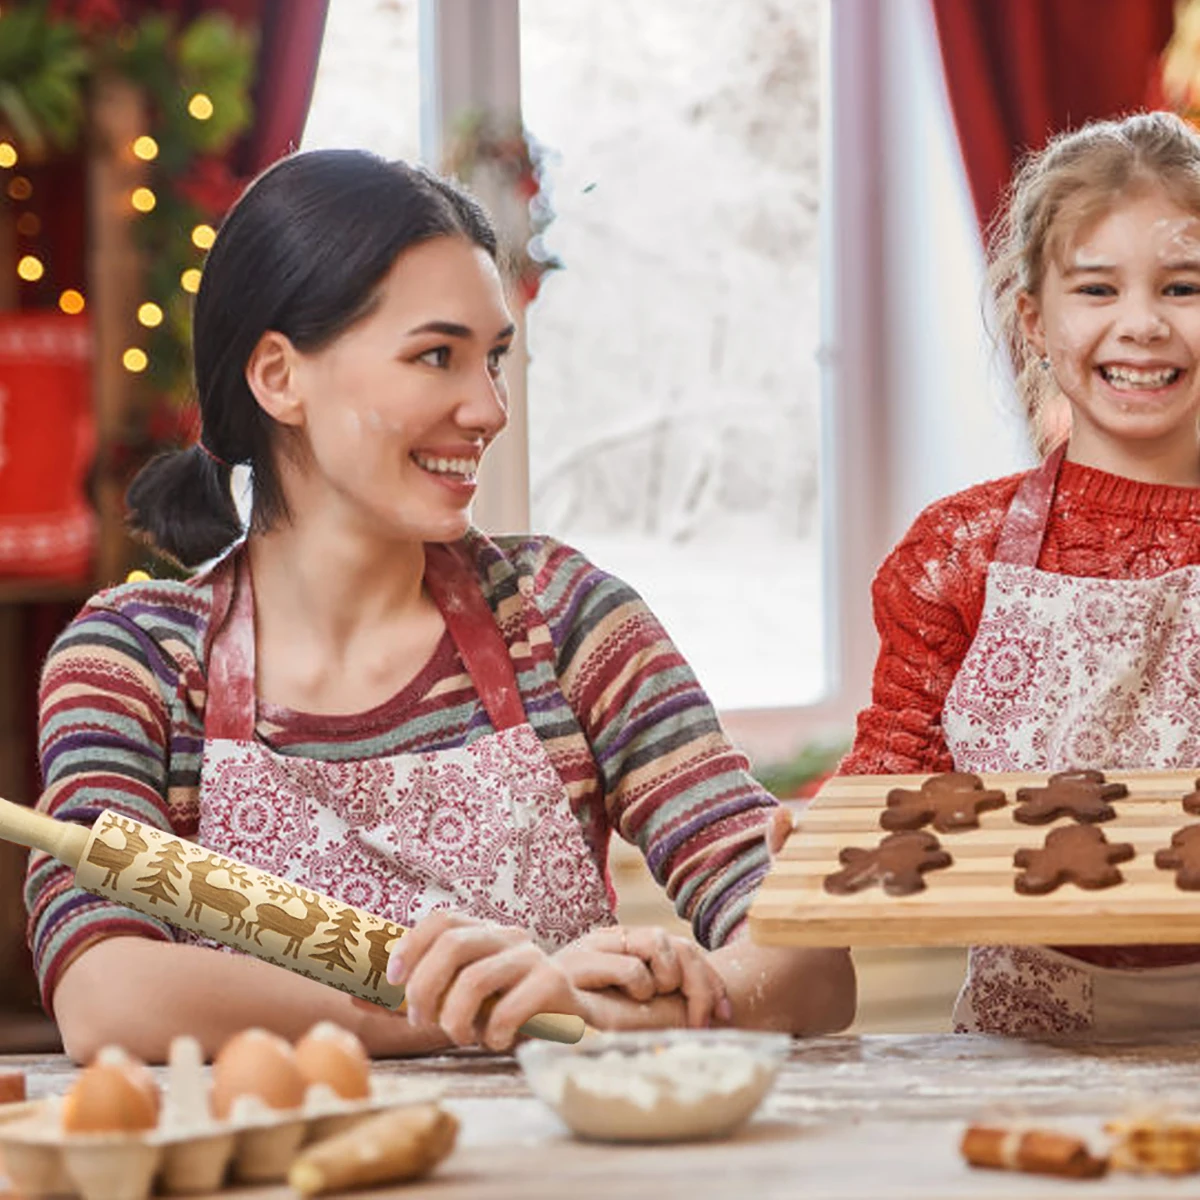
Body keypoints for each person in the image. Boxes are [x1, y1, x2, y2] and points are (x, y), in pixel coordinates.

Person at [27, 149, 854, 1063]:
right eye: (437, 357)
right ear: (278, 376)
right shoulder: (134, 661)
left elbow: (809, 959)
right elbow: (104, 995)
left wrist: (632, 1008)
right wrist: (475, 1008)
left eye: (493, 359)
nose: (489, 408)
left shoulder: (561, 617)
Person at [840, 110, 1200, 1036]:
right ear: (1035, 320)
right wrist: (819, 837)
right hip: (1023, 1039)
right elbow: (895, 782)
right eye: (1096, 289)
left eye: (1184, 286)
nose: (1143, 324)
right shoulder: (957, 551)